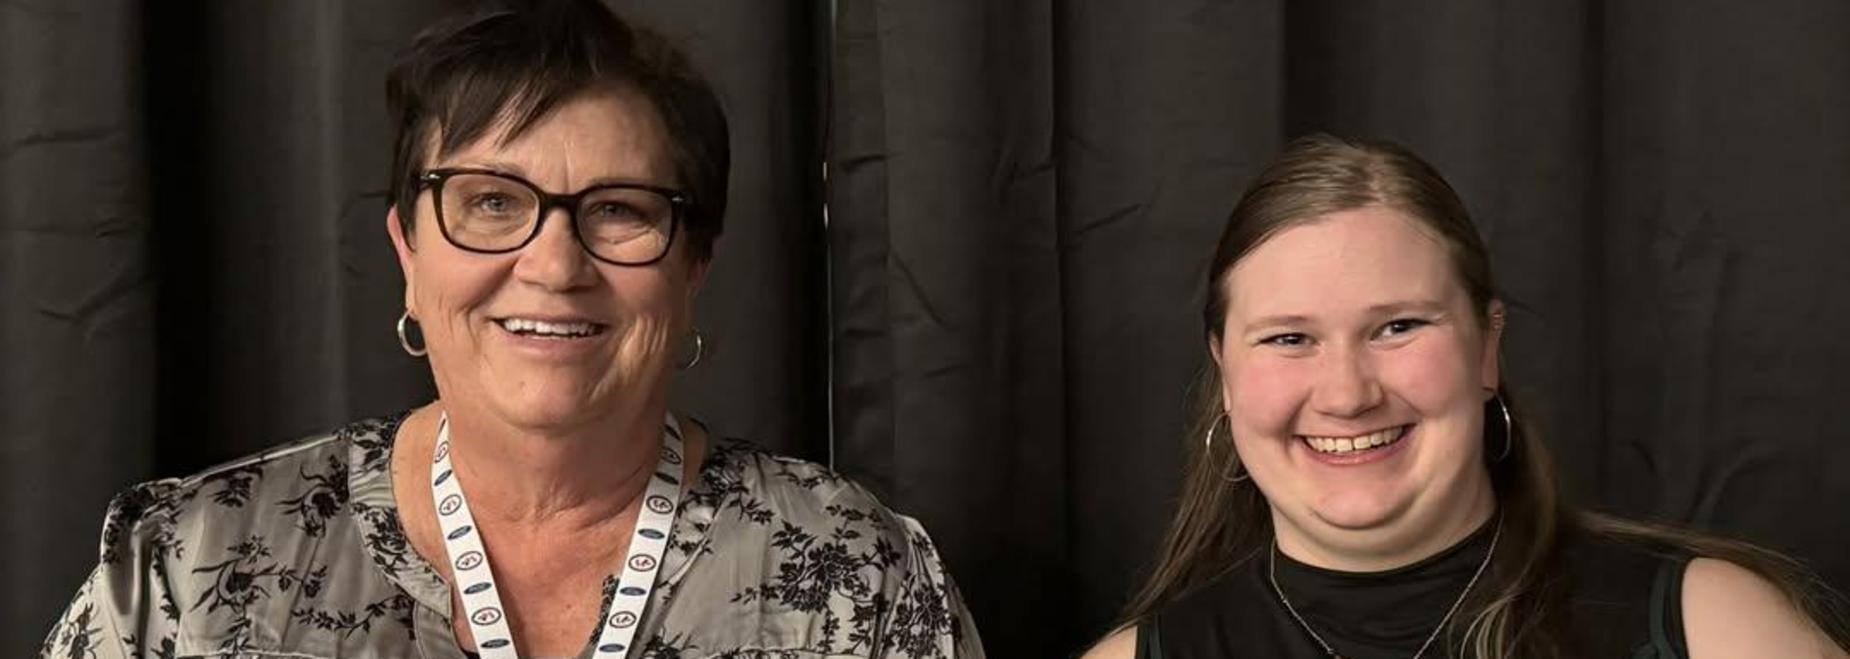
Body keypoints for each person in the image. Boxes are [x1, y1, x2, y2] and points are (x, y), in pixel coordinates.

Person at [38, 2, 981, 657]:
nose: (555, 264)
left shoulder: (860, 579)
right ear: (409, 252)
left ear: (695, 265)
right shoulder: (189, 567)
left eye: (617, 209)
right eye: (492, 202)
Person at [1085, 135, 1850, 659]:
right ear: (1224, 370)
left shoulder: (1713, 628)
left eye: (1398, 326)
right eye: (1289, 338)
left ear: (1486, 348)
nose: (1347, 393)